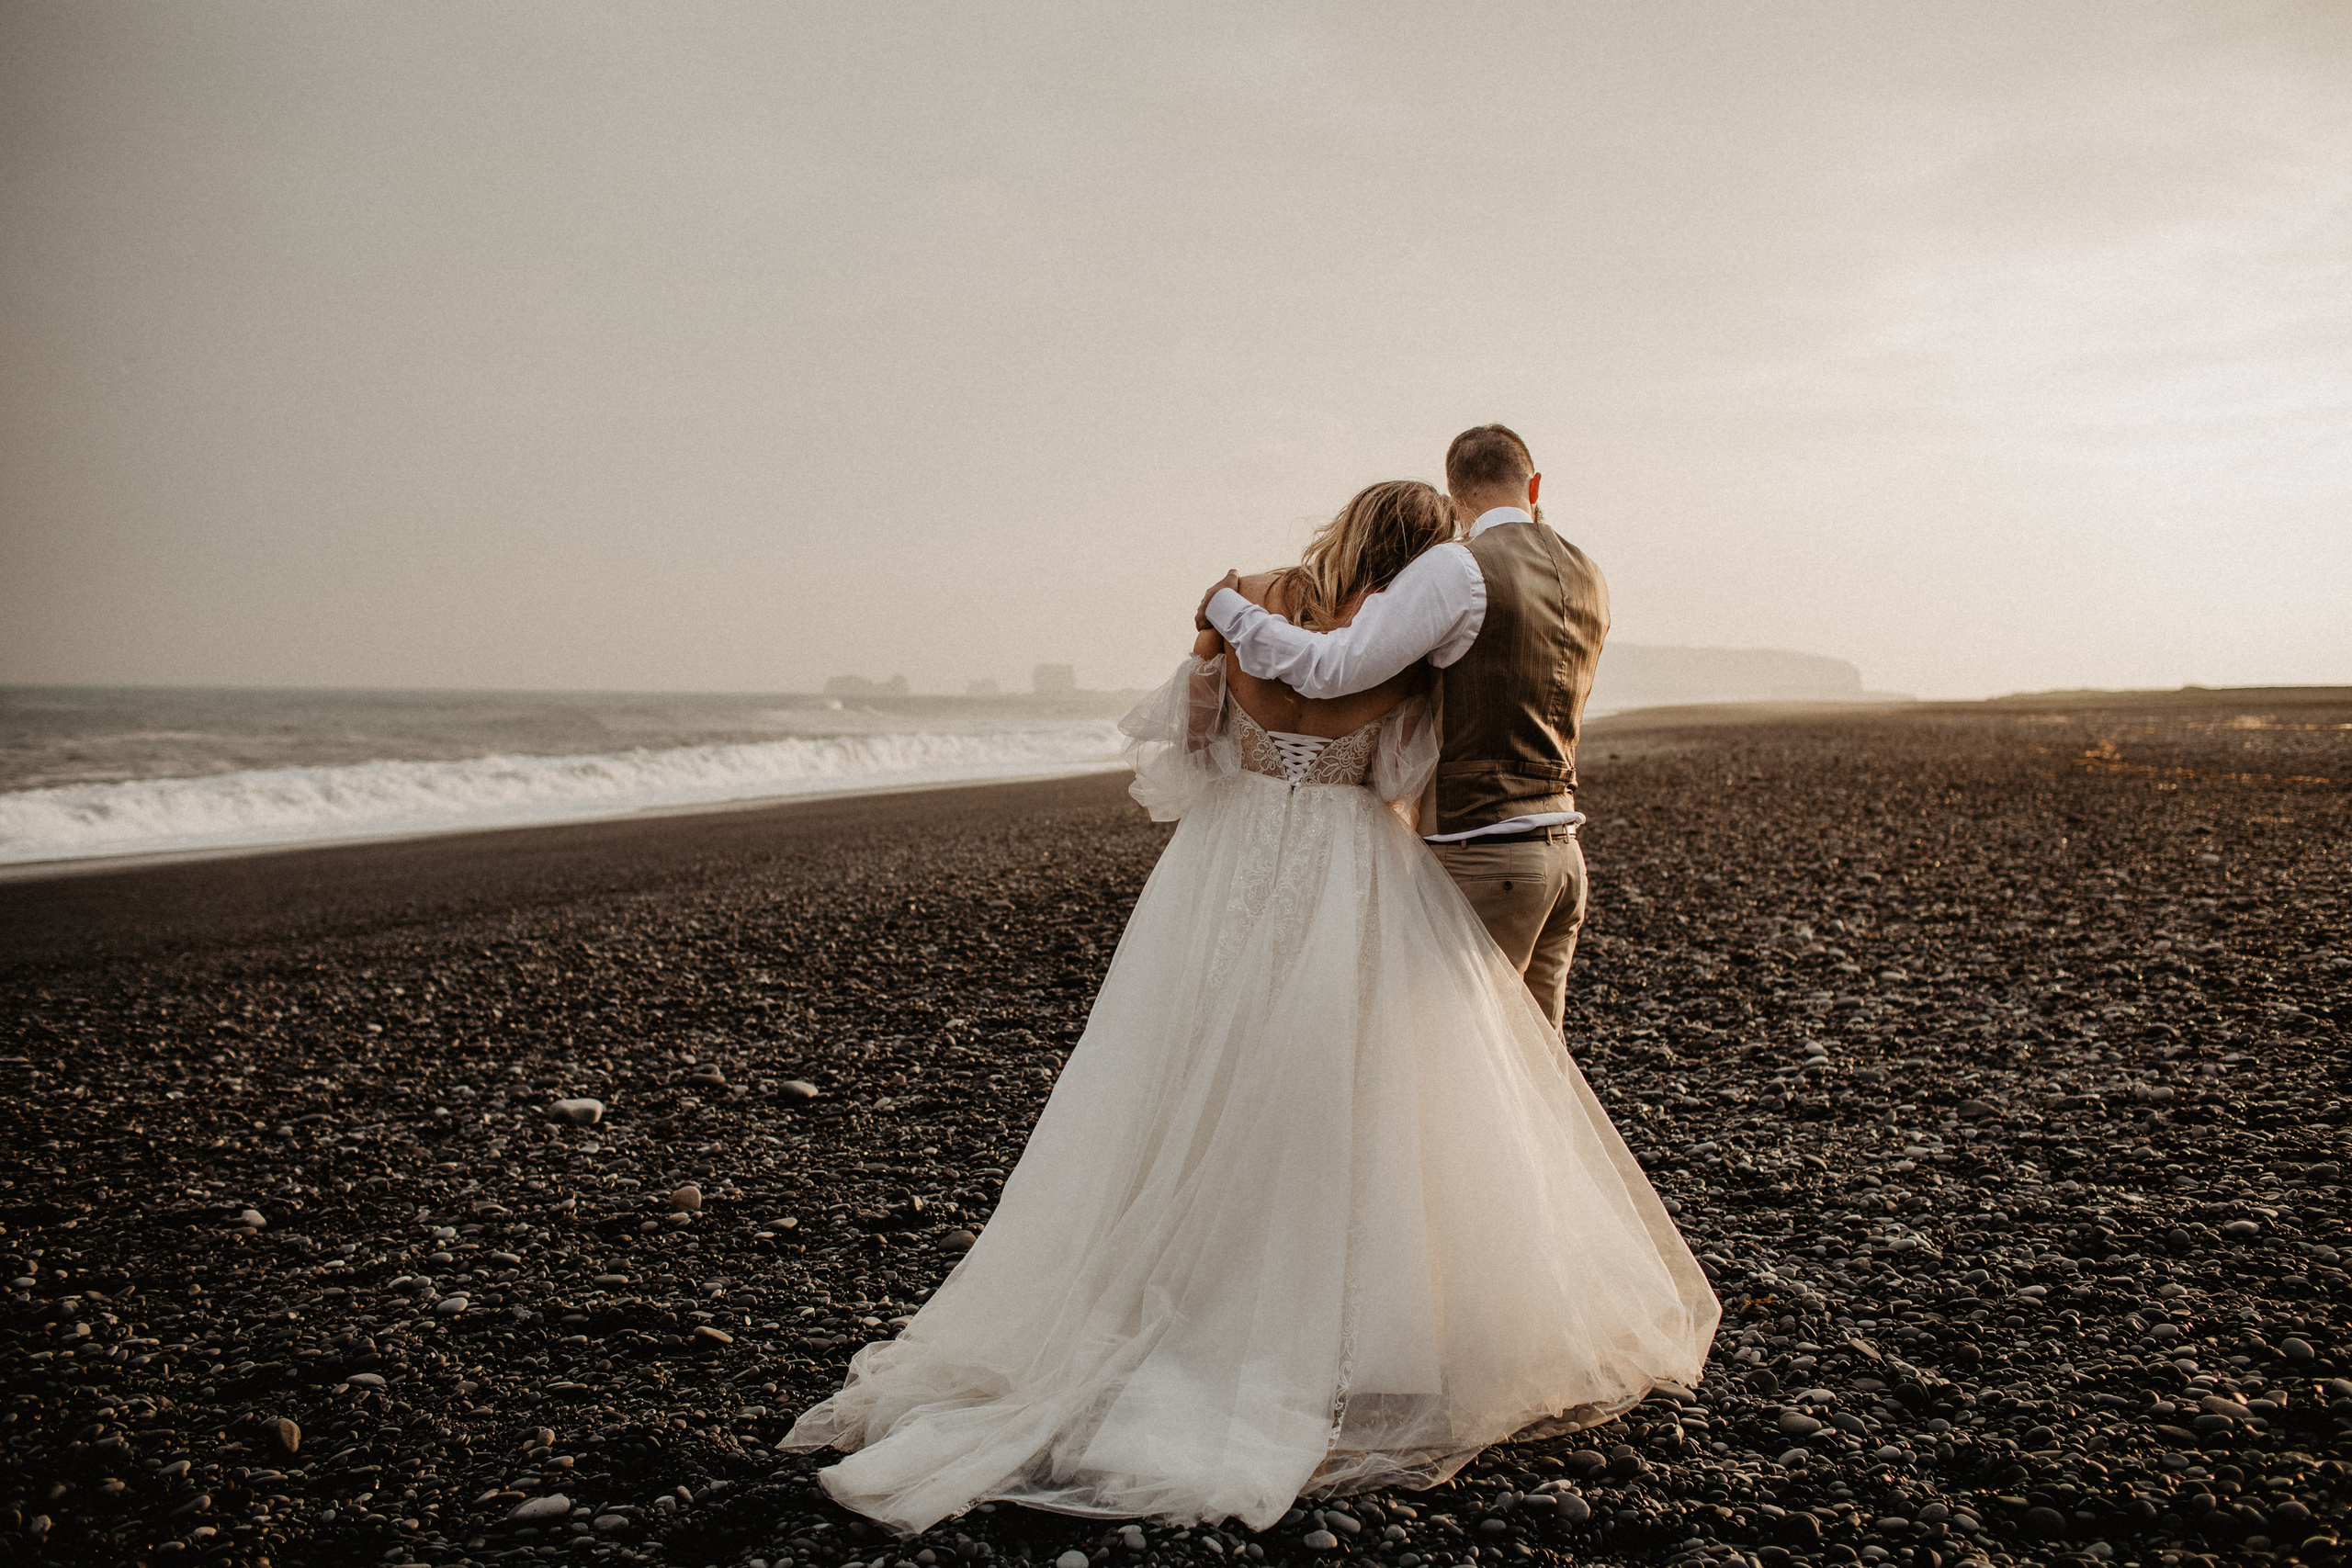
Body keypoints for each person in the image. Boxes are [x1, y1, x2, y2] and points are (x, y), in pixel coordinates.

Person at [779, 479, 1714, 1539]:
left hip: (1222, 868)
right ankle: (1338, 1317)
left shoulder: (1250, 595)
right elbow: (1402, 779)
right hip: (1348, 868)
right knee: (1334, 1085)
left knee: (1181, 1069)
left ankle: (1157, 1291)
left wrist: (1234, 694)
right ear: (1421, 553)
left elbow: (1184, 758)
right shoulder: (1399, 646)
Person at [1198, 424, 1606, 1032]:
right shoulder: (1586, 575)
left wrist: (1226, 608)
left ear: (1455, 492)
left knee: (1444, 1057)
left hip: (1486, 856)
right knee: (1530, 1077)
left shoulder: (1459, 568)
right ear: (1535, 485)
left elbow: (1332, 666)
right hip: (1564, 860)